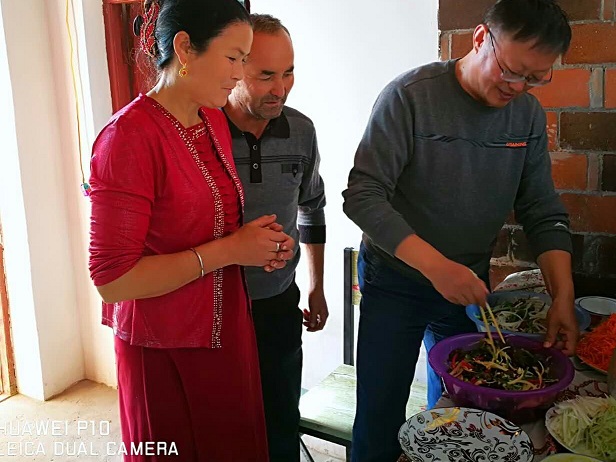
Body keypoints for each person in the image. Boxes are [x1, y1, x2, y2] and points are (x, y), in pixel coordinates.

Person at [342, 0, 577, 460]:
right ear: (480, 38)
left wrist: (563, 296)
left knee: (460, 412)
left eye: (535, 77)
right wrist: (436, 267)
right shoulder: (410, 97)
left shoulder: (526, 116)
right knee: (380, 410)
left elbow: (541, 209)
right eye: (511, 70)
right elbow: (363, 196)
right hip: (396, 280)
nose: (518, 87)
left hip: (469, 284)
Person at [88, 1, 295, 460]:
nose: (239, 74)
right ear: (185, 48)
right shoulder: (128, 138)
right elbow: (112, 280)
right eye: (233, 58)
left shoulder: (209, 118)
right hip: (165, 345)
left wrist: (258, 244)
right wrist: (230, 251)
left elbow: (211, 223)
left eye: (245, 60)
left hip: (225, 329)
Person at [224, 14, 328, 462]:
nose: (280, 89)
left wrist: (316, 286)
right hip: (215, 303)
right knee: (225, 423)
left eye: (288, 72)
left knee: (281, 418)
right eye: (265, 75)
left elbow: (312, 207)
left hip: (279, 301)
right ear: (234, 69)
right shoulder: (200, 130)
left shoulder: (301, 130)